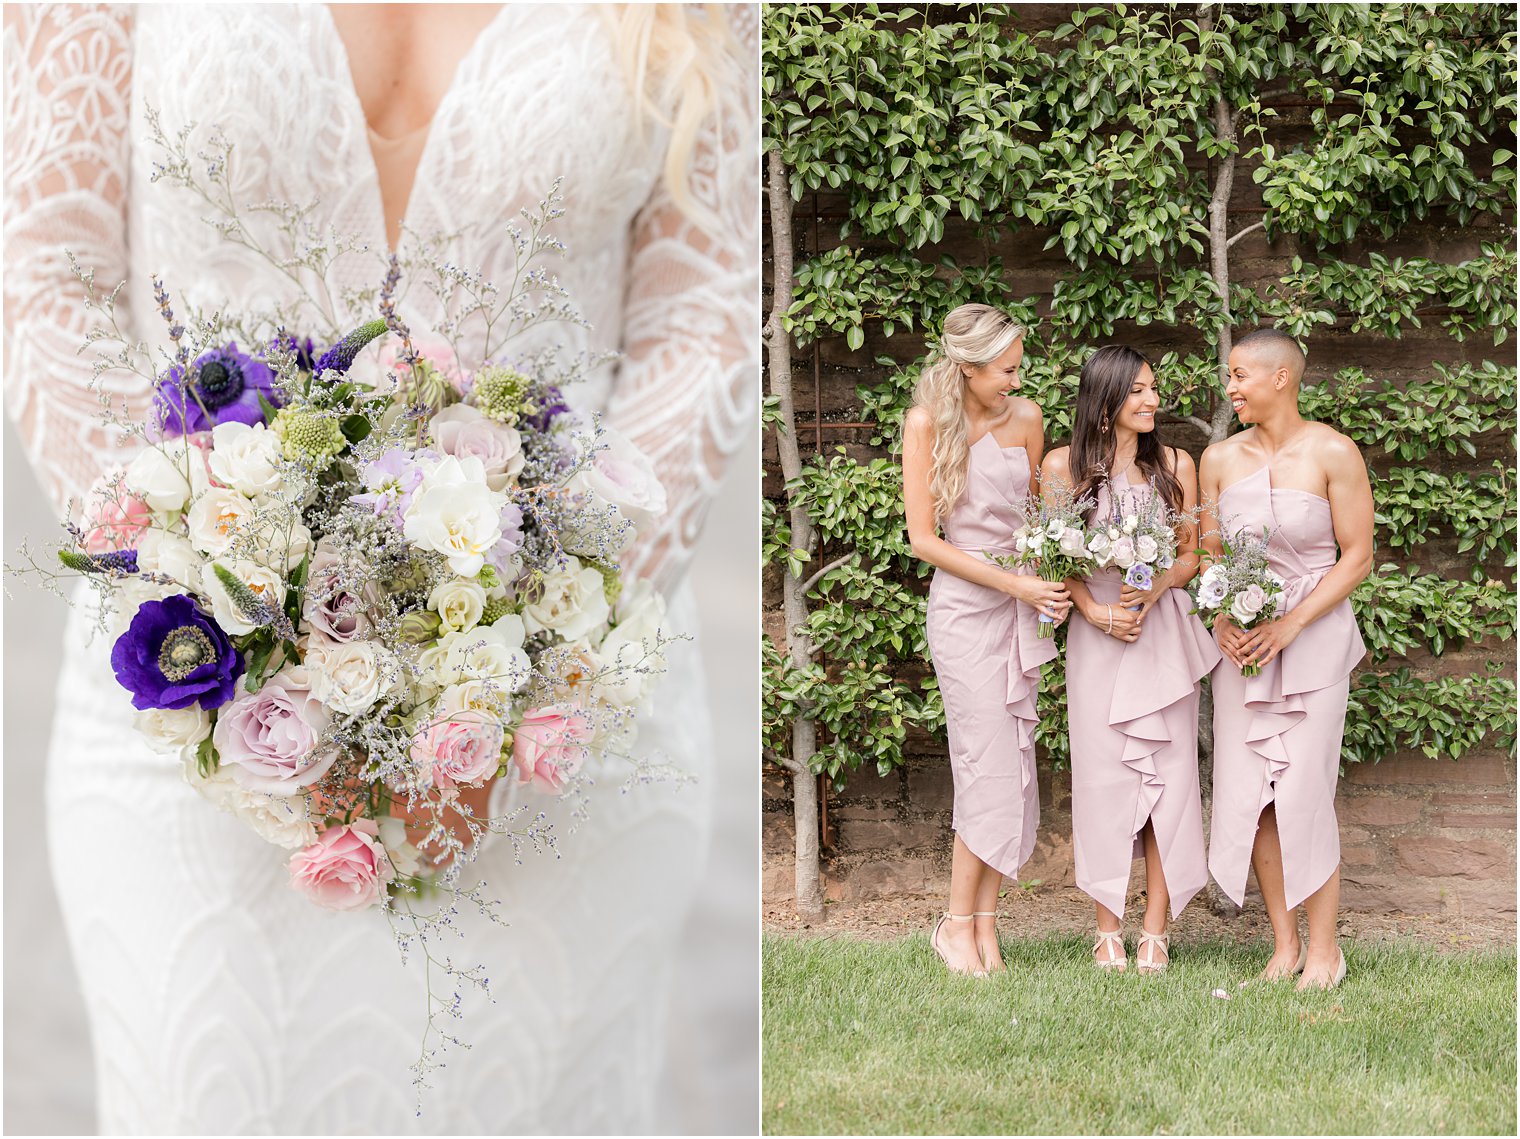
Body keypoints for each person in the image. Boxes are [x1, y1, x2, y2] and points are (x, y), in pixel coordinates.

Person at [3, 4, 757, 1131]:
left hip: (557, 738)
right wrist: (206, 619)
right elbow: (53, 274)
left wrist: (533, 673)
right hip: (195, 710)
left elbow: (699, 311)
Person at [1199, 327, 1372, 991]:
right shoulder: (1218, 459)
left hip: (1314, 641)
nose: (1231, 387)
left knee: (1304, 790)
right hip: (1244, 650)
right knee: (1255, 796)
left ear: (1282, 377)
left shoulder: (1333, 450)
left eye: (1241, 374)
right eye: (1230, 375)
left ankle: (1326, 948)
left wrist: (1294, 622)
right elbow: (1212, 555)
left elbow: (1357, 555)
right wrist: (1221, 618)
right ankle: (1283, 944)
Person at [902, 303, 1072, 977]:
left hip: (1021, 605)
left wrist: (1050, 579)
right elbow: (924, 541)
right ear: (967, 369)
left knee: (1016, 765)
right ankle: (953, 924)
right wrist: (1015, 584)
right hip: (967, 612)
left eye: (1017, 368)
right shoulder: (926, 424)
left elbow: (1040, 515)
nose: (1014, 380)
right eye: (1004, 370)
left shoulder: (1026, 419)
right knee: (983, 764)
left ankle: (987, 928)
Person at [1041, 346, 1218, 973]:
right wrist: (1091, 610)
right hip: (1099, 636)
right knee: (1103, 781)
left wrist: (1161, 584)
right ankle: (1106, 929)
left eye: (1153, 388)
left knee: (1169, 782)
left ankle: (1155, 930)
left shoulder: (1176, 463)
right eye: (1138, 390)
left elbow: (1193, 554)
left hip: (1161, 631)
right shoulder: (1061, 467)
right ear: (1106, 397)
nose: (1151, 400)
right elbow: (1051, 558)